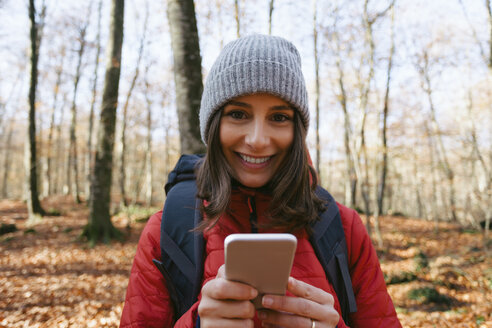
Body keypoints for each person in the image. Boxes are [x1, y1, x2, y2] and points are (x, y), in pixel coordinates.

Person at [120, 34, 401, 328]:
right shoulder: (167, 228)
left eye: (279, 118)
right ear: (213, 126)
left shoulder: (342, 227)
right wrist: (196, 324)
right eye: (238, 114)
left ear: (297, 131)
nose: (257, 140)